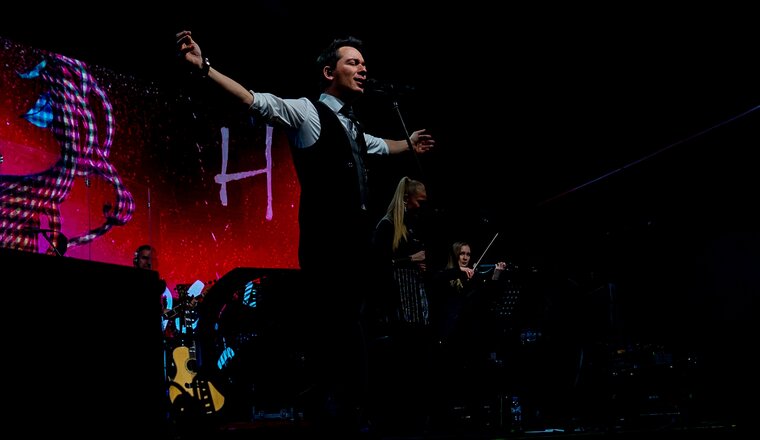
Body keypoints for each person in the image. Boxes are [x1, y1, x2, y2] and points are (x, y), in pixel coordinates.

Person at [175, 31, 435, 435]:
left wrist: (408, 144)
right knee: (336, 335)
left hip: (355, 247)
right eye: (353, 62)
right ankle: (333, 416)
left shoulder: (351, 126)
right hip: (326, 246)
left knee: (353, 330)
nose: (363, 68)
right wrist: (205, 68)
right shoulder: (307, 113)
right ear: (329, 72)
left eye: (364, 63)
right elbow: (254, 100)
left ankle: (351, 414)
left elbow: (378, 146)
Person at [370, 176, 432, 434]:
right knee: (400, 367)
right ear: (407, 199)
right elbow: (376, 265)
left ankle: (415, 420)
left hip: (415, 307)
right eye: (420, 201)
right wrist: (409, 260)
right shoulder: (386, 226)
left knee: (417, 366)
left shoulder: (410, 226)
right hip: (398, 309)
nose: (422, 206)